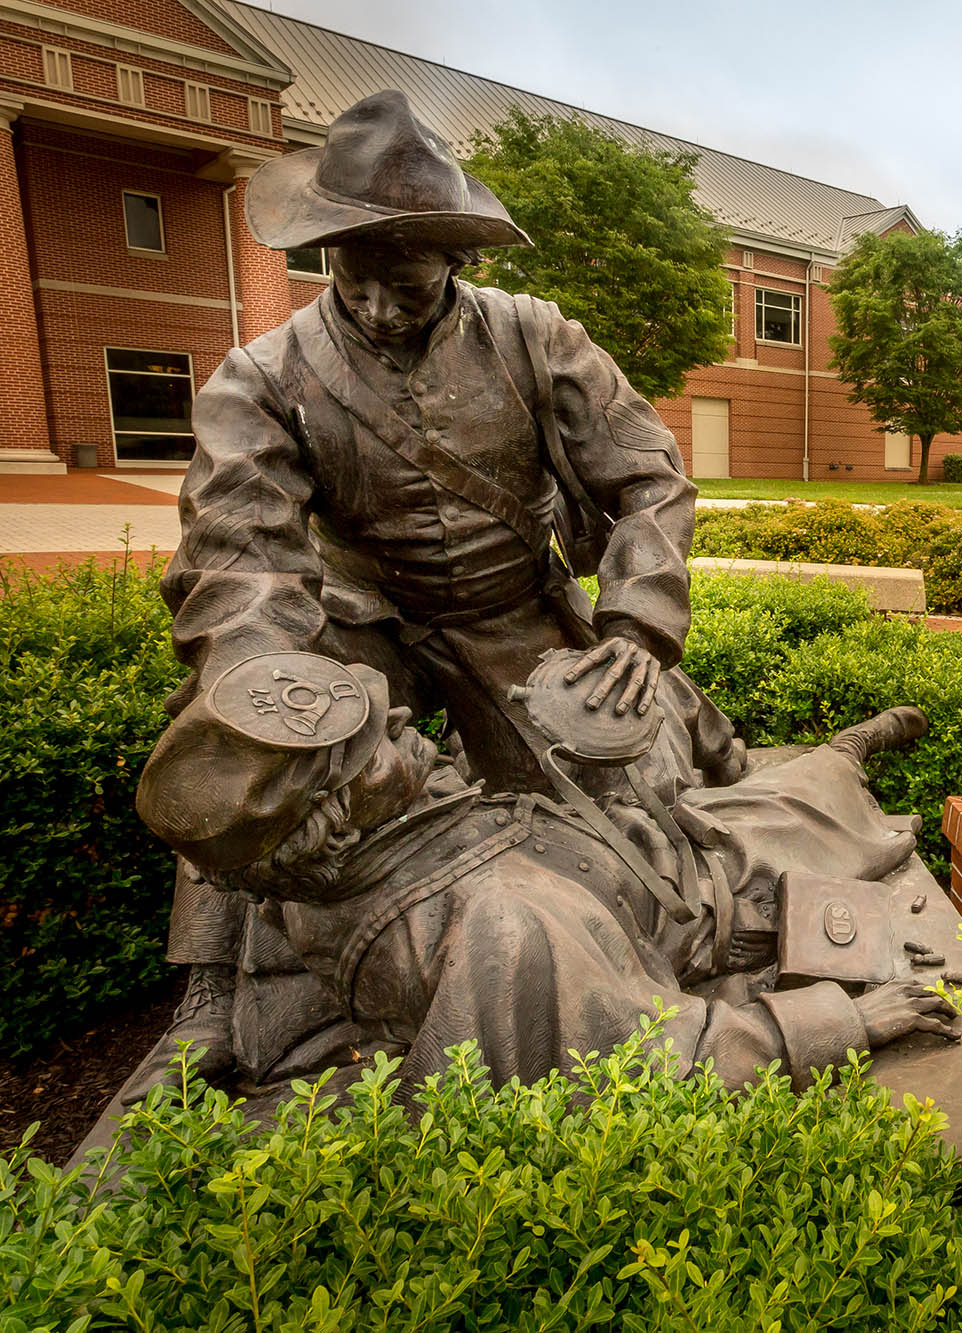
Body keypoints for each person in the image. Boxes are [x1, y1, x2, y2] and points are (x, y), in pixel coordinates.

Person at [150, 90, 745, 1079]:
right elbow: (235, 551)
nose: (379, 306)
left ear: (455, 265)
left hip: (511, 614)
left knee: (627, 777)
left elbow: (648, 480)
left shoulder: (536, 338)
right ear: (323, 254)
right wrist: (262, 681)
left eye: (408, 284)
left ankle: (638, 969)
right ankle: (212, 992)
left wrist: (635, 632)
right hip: (364, 623)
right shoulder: (263, 374)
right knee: (239, 727)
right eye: (355, 278)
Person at [134, 653, 957, 1097]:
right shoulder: (507, 925)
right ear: (333, 817)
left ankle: (834, 757)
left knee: (742, 782)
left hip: (611, 855)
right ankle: (842, 754)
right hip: (689, 901)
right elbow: (663, 1056)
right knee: (802, 814)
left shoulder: (326, 873)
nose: (395, 717)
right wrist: (847, 1020)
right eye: (367, 748)